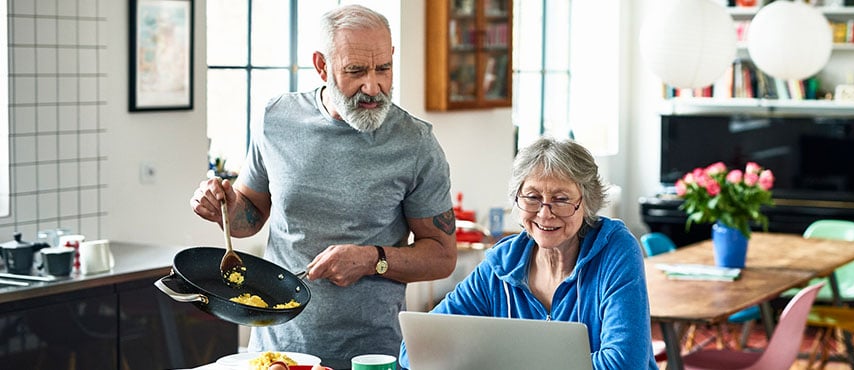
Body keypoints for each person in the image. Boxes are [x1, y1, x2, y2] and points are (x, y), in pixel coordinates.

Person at [189, 5, 457, 369]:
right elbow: (248, 219)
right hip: (276, 348)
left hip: (372, 354)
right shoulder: (276, 118)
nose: (373, 86)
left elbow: (442, 255)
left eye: (384, 69)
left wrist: (371, 260)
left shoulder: (415, 143)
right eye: (355, 71)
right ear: (321, 66)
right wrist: (222, 205)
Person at [399, 137, 659, 370]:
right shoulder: (501, 266)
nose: (545, 213)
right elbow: (415, 348)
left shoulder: (615, 250)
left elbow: (624, 364)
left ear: (587, 202)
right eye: (532, 197)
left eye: (561, 199)